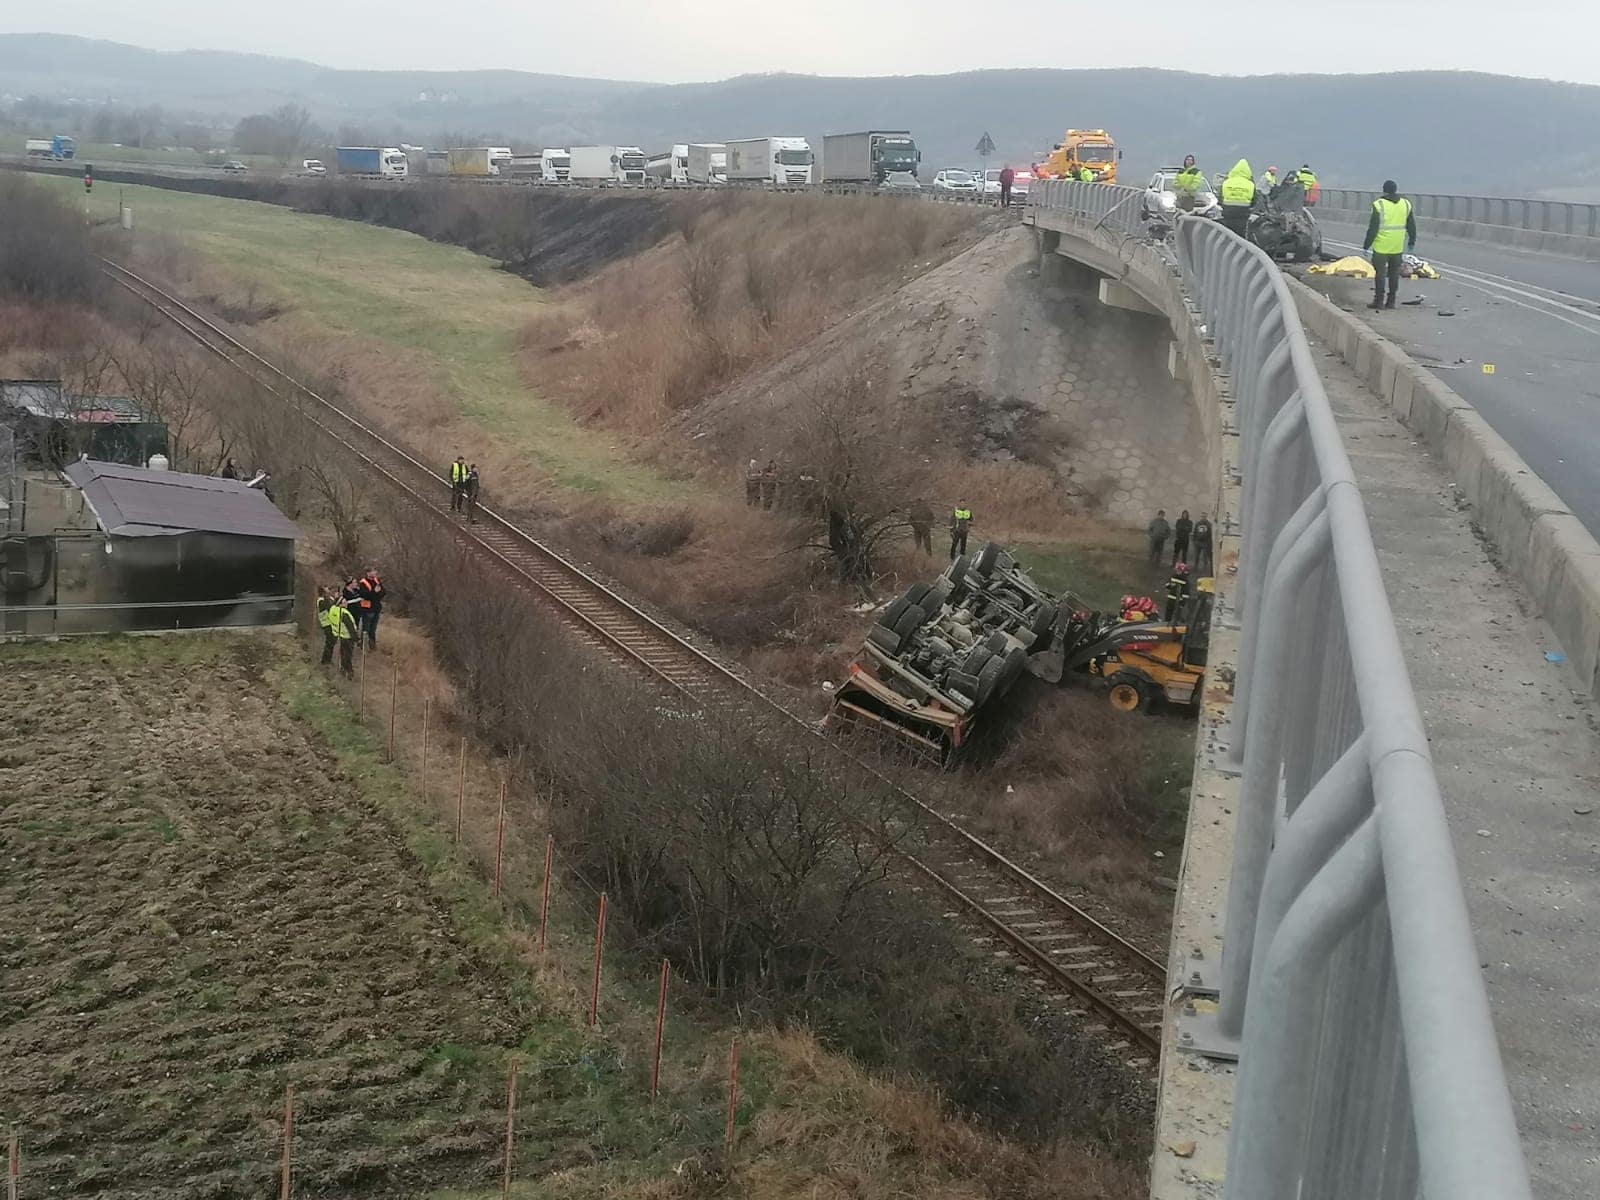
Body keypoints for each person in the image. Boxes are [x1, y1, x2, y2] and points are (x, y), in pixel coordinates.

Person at [1363, 180, 1418, 311]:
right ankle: (1391, 301)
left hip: (1382, 246)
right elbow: (1411, 225)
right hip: (1397, 246)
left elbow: (1373, 228)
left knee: (1380, 274)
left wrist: (1366, 245)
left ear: (1384, 190)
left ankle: (1379, 301)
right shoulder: (1405, 204)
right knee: (1394, 274)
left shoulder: (1379, 205)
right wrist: (1411, 241)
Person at [1219, 159, 1256, 238]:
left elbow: (1220, 198)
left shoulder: (1226, 182)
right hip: (1243, 214)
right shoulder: (1250, 184)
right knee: (1240, 236)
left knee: (1228, 234)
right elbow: (1254, 200)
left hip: (1228, 212)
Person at [357, 567, 386, 650]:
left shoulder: (377, 581)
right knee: (366, 629)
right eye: (373, 571)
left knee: (373, 630)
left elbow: (383, 592)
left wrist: (377, 593)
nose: (375, 572)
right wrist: (374, 593)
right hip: (367, 609)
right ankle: (363, 647)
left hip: (376, 608)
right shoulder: (363, 583)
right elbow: (364, 595)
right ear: (368, 573)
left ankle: (372, 647)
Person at [331, 595, 358, 676]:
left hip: (339, 634)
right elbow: (350, 627)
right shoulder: (344, 613)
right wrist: (357, 639)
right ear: (340, 604)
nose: (347, 603)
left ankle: (342, 669)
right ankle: (349, 671)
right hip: (347, 636)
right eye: (344, 602)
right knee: (348, 655)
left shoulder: (333, 610)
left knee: (343, 654)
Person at [317, 586, 337, 666]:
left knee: (332, 642)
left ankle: (329, 658)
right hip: (326, 623)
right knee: (329, 642)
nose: (328, 590)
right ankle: (325, 660)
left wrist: (336, 599)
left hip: (333, 622)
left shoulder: (331, 599)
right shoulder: (320, 600)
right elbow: (328, 608)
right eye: (326, 589)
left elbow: (336, 606)